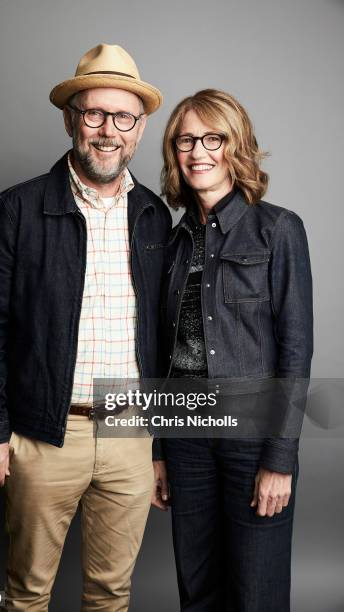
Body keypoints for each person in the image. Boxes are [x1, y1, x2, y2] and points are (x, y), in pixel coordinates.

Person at [0, 43, 171, 611]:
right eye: (94, 114)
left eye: (122, 117)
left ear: (140, 127)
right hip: (44, 435)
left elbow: (166, 334)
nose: (107, 131)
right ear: (71, 119)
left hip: (131, 433)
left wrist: (161, 444)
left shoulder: (155, 214)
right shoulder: (17, 209)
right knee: (27, 592)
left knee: (111, 592)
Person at [151, 89, 313, 611]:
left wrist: (281, 457)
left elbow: (296, 348)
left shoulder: (279, 230)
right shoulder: (171, 243)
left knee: (256, 593)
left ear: (236, 145)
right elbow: (160, 351)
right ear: (174, 153)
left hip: (252, 439)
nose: (199, 151)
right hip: (185, 435)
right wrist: (157, 448)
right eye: (185, 140)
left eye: (213, 137)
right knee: (198, 589)